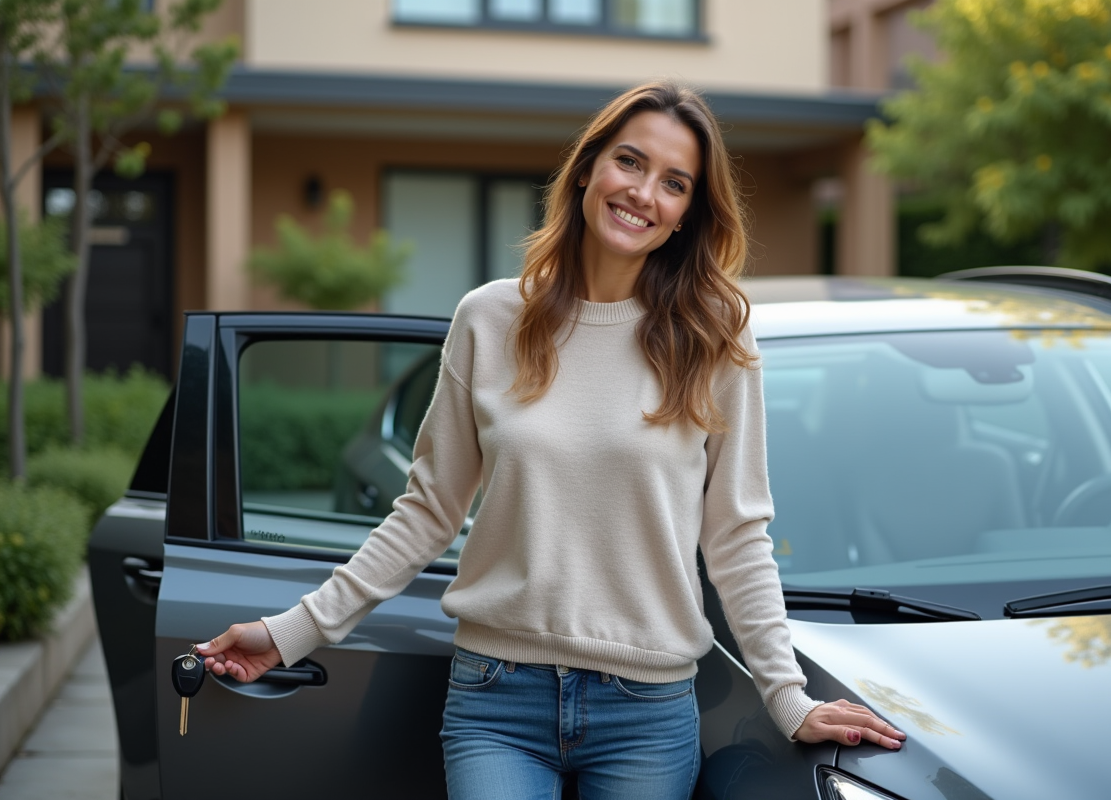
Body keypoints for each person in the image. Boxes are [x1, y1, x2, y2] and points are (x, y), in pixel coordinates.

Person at [197, 80, 904, 799]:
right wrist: (293, 631)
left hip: (648, 712)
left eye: (674, 183)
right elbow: (427, 510)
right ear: (589, 167)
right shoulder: (489, 318)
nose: (642, 192)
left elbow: (737, 533)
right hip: (497, 698)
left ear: (688, 213)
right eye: (629, 162)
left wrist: (789, 697)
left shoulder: (714, 336)